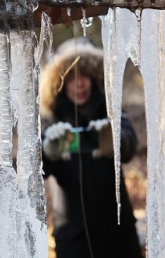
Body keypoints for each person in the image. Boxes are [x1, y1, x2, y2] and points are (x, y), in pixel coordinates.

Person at [40, 37, 142, 258]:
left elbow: (129, 144)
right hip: (73, 242)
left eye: (85, 76)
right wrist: (46, 152)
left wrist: (113, 139)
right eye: (71, 78)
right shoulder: (51, 124)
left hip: (119, 237)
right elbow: (32, 170)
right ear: (60, 83)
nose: (79, 84)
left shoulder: (112, 114)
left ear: (96, 79)